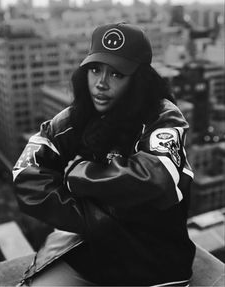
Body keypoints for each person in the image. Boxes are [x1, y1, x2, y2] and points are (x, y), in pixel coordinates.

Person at [13, 22, 196, 286]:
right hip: (95, 252)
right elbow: (26, 173)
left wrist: (79, 175)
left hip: (155, 262)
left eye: (116, 74)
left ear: (138, 80)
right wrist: (90, 219)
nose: (100, 83)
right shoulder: (78, 116)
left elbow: (158, 177)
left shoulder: (163, 116)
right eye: (95, 70)